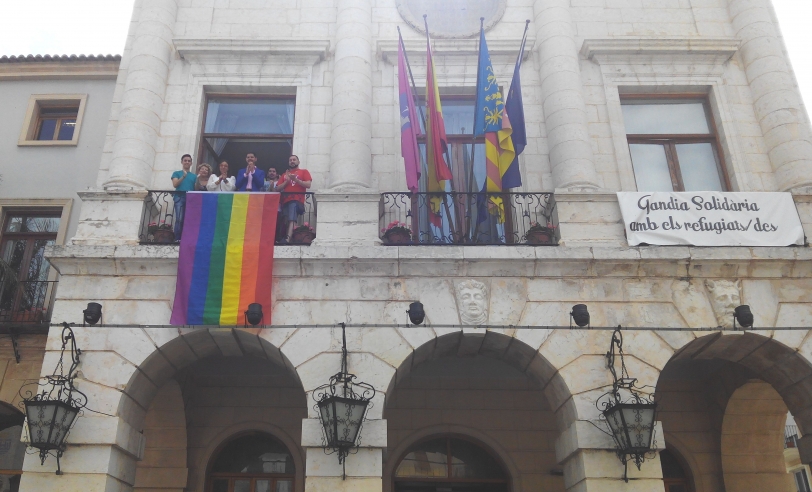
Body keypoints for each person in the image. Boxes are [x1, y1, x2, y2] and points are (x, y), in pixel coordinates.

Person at [277, 155, 312, 242]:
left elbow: (308, 185)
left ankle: (288, 239)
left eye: (294, 160)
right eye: (290, 160)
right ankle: (287, 237)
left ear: (298, 162)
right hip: (285, 201)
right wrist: (287, 181)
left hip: (297, 200)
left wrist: (296, 180)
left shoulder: (304, 172)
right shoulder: (285, 175)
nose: (292, 161)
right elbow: (277, 188)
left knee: (292, 218)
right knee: (286, 219)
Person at [171, 154, 196, 240]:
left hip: (190, 200)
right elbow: (175, 184)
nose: (187, 162)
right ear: (182, 162)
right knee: (179, 218)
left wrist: (199, 181)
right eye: (185, 160)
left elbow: (195, 189)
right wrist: (183, 176)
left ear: (191, 163)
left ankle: (186, 239)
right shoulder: (177, 173)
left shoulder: (194, 176)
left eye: (189, 161)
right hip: (179, 198)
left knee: (188, 220)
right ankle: (177, 239)